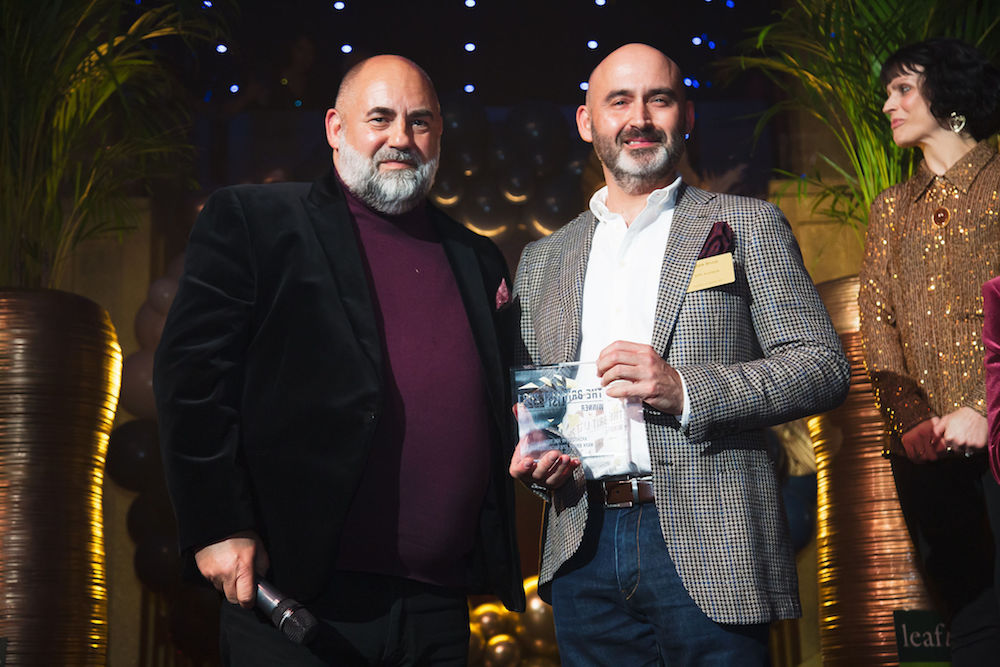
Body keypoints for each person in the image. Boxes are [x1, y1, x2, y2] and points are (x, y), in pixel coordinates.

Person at [153, 54, 525, 666]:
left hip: (437, 604)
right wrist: (216, 524)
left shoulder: (477, 257)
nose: (401, 137)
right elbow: (190, 381)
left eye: (420, 121)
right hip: (297, 596)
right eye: (380, 118)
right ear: (335, 127)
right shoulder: (255, 220)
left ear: (439, 135)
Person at [508, 43, 850, 665]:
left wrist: (687, 389)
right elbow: (542, 408)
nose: (639, 118)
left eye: (658, 99)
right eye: (619, 101)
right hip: (583, 546)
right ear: (587, 122)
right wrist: (540, 461)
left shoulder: (746, 224)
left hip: (714, 543)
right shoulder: (543, 260)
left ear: (686, 116)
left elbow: (821, 366)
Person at [858, 37, 1000, 665]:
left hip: (997, 435)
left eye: (903, 89)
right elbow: (876, 321)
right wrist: (909, 419)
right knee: (968, 620)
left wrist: (986, 410)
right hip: (925, 451)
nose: (888, 104)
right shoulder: (891, 209)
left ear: (951, 94)